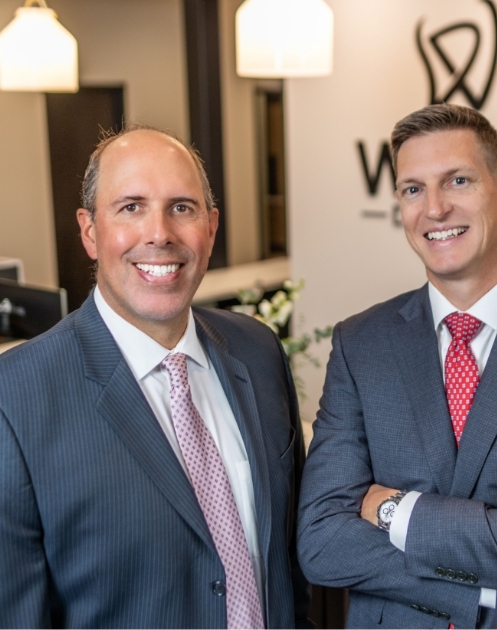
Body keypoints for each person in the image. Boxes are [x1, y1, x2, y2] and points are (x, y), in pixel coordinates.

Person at [297, 104, 497, 629]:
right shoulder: (360, 343)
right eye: (412, 189)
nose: (434, 209)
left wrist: (395, 510)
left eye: (457, 180)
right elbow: (324, 542)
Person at [0, 125, 310, 629]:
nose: (160, 233)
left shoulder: (258, 352)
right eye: (131, 207)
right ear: (89, 231)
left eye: (182, 208)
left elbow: (289, 576)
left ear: (210, 228)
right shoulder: (13, 400)